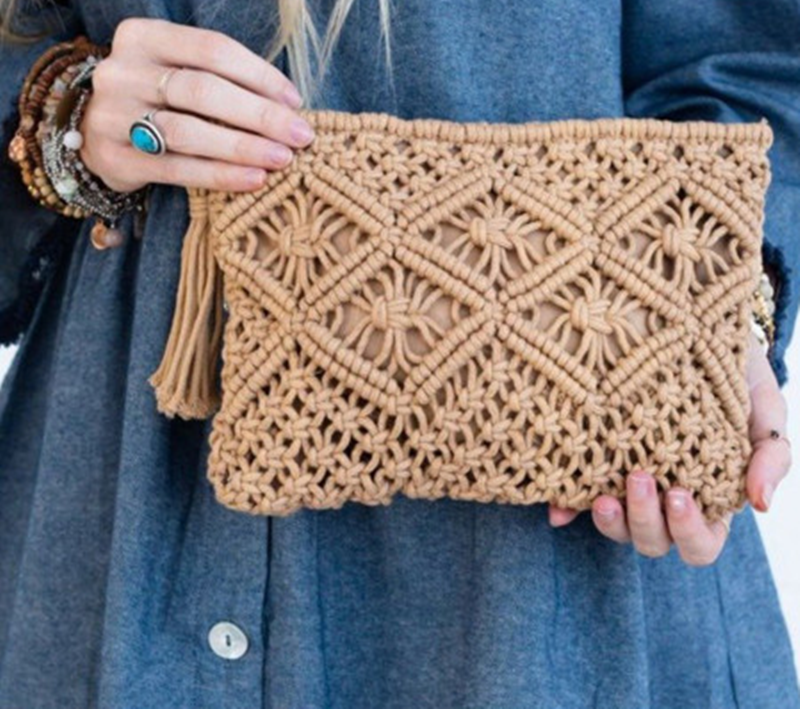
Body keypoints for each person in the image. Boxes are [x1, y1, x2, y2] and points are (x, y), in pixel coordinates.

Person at [0, 0, 798, 707]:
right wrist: (61, 117)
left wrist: (728, 302)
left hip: (543, 585)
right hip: (117, 492)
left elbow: (754, 60)